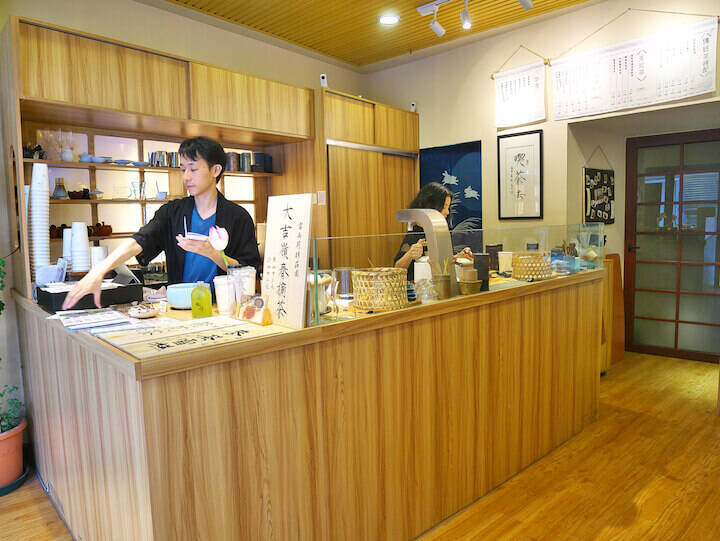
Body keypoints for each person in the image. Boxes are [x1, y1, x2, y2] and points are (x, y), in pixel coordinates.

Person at [62, 136, 261, 309]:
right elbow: (140, 240)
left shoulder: (238, 217)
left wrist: (215, 255)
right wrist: (98, 271)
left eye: (193, 169)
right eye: (183, 169)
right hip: (181, 308)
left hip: (223, 309)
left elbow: (248, 271)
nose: (186, 177)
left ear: (215, 170)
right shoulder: (173, 212)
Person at [393, 182, 472, 281]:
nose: (447, 212)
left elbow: (441, 264)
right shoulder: (416, 233)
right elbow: (396, 268)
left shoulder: (439, 232)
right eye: (444, 207)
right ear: (431, 206)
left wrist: (459, 257)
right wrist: (409, 255)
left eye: (448, 207)